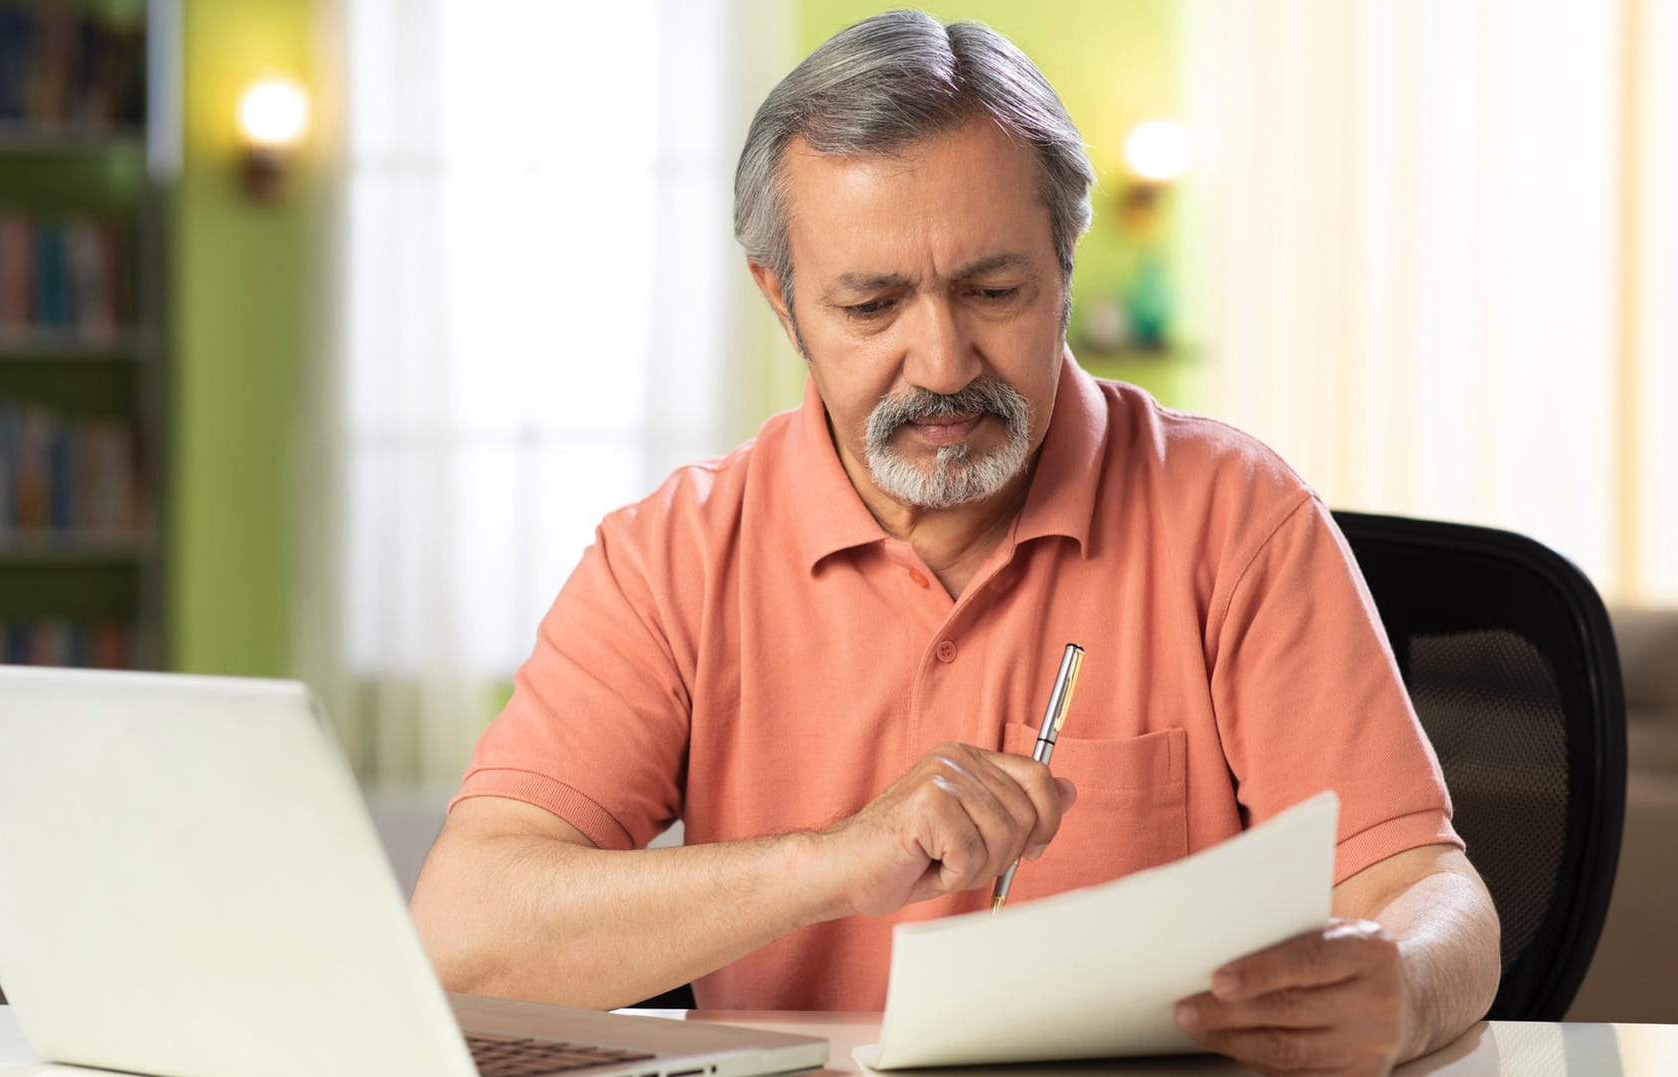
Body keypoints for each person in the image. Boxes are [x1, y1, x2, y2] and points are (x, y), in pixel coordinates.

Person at [410, 11, 1500, 1074]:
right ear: (781, 301)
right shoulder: (670, 556)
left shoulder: (1240, 516)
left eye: (992, 291)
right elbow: (463, 937)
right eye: (873, 305)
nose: (940, 362)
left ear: (1065, 268)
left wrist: (1404, 987)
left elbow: (1431, 894)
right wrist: (837, 864)